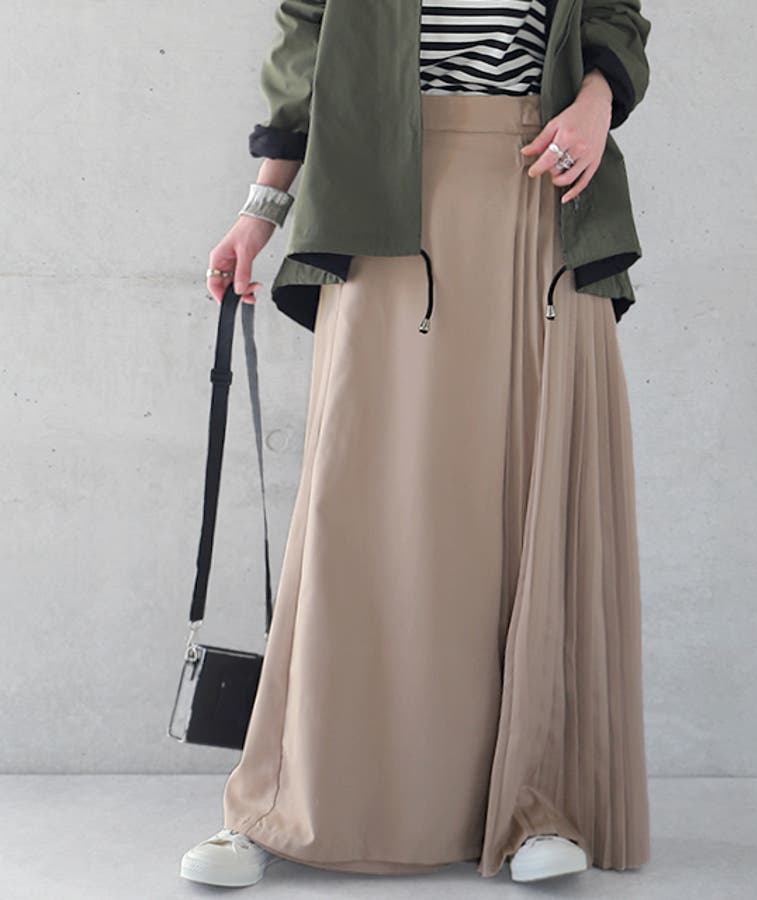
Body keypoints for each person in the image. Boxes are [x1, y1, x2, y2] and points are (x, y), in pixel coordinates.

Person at [181, 0, 652, 887]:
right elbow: (308, 41)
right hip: (378, 189)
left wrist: (596, 102)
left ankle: (534, 803)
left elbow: (614, 17)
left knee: (526, 499)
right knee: (363, 506)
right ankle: (288, 799)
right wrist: (260, 210)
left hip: (542, 191)